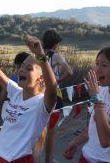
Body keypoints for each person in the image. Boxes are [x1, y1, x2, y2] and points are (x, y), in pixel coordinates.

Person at [0, 27, 57, 163]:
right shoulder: (16, 92)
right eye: (22, 66)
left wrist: (40, 55)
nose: (22, 69)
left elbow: (52, 88)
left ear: (40, 78)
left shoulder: (42, 103)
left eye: (28, 68)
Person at [42, 29, 73, 163]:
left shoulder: (38, 55)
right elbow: (69, 72)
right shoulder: (55, 56)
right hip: (54, 94)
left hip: (39, 94)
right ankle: (48, 160)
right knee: (52, 131)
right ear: (55, 43)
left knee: (37, 128)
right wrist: (57, 81)